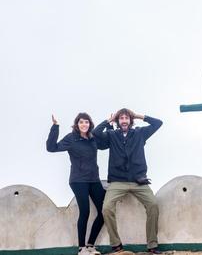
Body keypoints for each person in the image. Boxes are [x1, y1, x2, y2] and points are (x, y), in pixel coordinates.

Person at [93, 108, 163, 254]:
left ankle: (152, 245)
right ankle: (116, 245)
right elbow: (96, 134)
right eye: (121, 118)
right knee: (106, 208)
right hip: (118, 181)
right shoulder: (112, 135)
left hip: (139, 181)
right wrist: (109, 121)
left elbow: (158, 123)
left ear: (130, 121)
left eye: (126, 118)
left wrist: (138, 115)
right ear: (118, 121)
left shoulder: (140, 133)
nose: (124, 121)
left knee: (153, 205)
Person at [46, 113, 107, 255]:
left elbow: (106, 144)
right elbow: (51, 148)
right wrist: (55, 127)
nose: (84, 124)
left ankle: (90, 245)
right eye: (81, 122)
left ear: (90, 124)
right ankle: (81, 249)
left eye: (86, 122)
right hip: (78, 180)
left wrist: (108, 123)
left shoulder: (93, 139)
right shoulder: (71, 138)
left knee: (104, 211)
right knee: (84, 211)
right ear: (77, 124)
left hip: (94, 179)